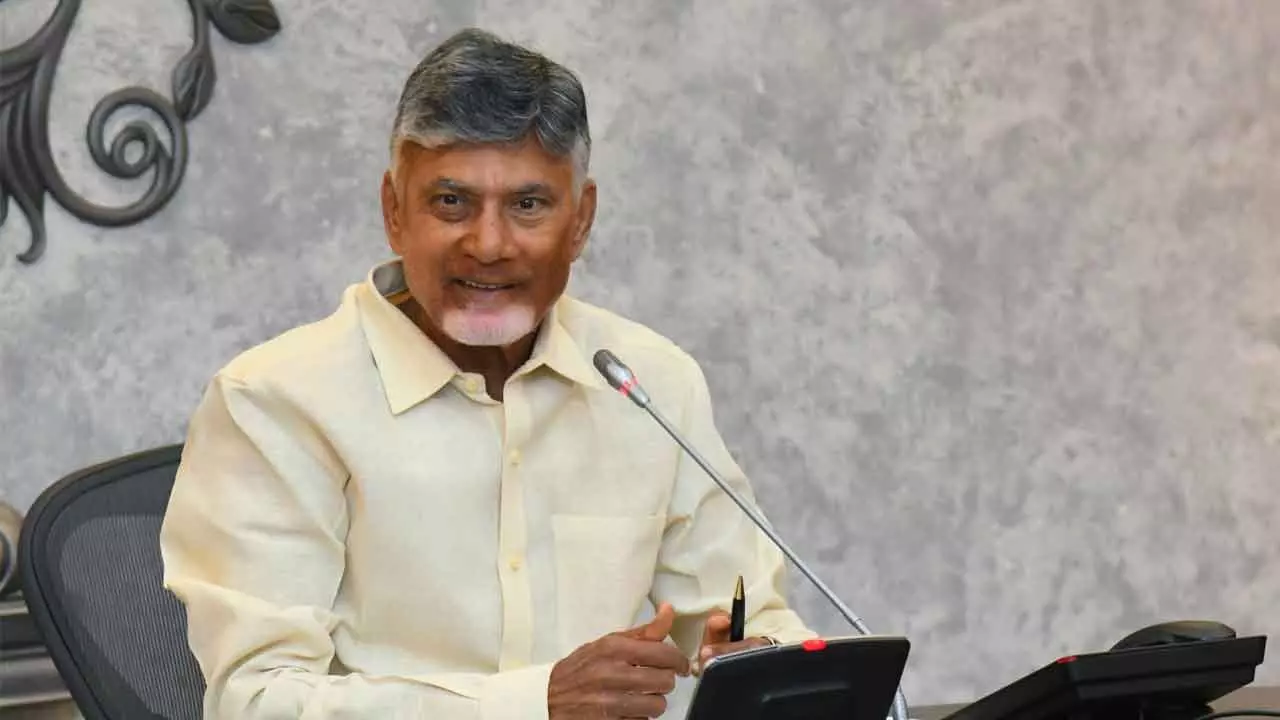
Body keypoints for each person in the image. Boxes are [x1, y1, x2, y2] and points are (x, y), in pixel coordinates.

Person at [159, 27, 816, 720]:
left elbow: (748, 614)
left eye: (528, 205)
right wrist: (538, 703)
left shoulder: (648, 382)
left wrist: (755, 655)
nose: (489, 244)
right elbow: (255, 701)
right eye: (451, 202)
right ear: (393, 211)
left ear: (581, 220)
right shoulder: (273, 401)